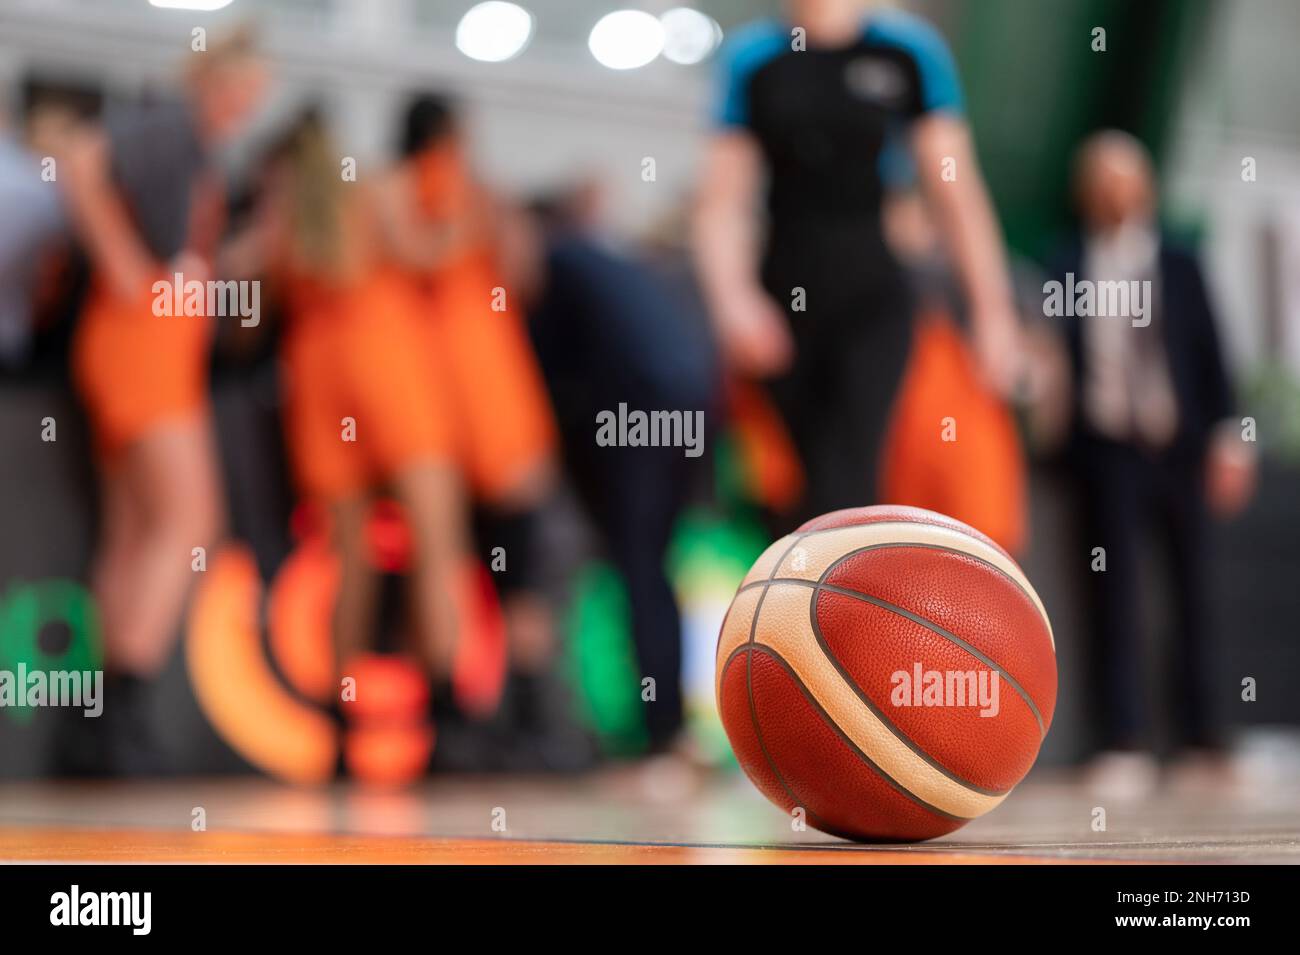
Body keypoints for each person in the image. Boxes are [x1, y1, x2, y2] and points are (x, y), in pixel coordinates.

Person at [693, 0, 1022, 532]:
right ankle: (787, 611)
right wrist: (734, 301)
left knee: (847, 482)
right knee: (785, 488)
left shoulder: (906, 52)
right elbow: (719, 203)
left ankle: (847, 608)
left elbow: (955, 190)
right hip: (784, 304)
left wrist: (993, 314)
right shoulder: (754, 59)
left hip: (873, 300)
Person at [56, 27, 267, 770]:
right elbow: (79, 159)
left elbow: (184, 258)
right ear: (217, 79)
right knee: (188, 517)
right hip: (140, 348)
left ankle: (99, 726)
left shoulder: (201, 149)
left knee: (135, 529)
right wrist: (120, 261)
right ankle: (125, 707)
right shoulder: (171, 122)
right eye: (244, 88)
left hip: (149, 350)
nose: (250, 104)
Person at [249, 110, 469, 740]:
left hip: (319, 379)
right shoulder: (377, 189)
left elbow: (251, 310)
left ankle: (340, 724)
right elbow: (427, 253)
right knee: (435, 545)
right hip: (390, 362)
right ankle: (445, 716)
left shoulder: (284, 219)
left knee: (349, 560)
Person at [1051, 130, 1255, 797]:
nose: (1114, 189)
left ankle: (1203, 739)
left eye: (1125, 175)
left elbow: (1213, 353)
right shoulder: (1066, 265)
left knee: (1194, 592)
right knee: (1114, 597)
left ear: (1146, 186)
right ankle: (1123, 741)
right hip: (1107, 452)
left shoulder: (1180, 261)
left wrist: (1230, 437)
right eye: (1101, 176)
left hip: (1181, 447)